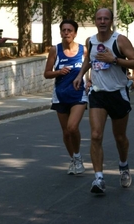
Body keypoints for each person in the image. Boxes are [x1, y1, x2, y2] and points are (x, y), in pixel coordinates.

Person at [73, 8, 134, 194]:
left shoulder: (119, 40)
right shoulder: (91, 40)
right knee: (96, 135)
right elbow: (89, 59)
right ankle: (99, 179)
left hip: (118, 93)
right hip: (98, 93)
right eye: (99, 18)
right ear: (95, 21)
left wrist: (115, 59)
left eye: (106, 18)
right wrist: (81, 75)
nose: (102, 21)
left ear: (111, 21)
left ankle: (124, 166)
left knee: (120, 138)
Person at [43, 19, 87, 175]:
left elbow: (91, 68)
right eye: (64, 30)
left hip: (78, 94)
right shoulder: (55, 50)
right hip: (60, 94)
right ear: (60, 32)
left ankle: (77, 157)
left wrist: (90, 82)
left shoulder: (84, 50)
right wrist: (58, 72)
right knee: (66, 132)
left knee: (72, 127)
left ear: (75, 33)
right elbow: (47, 73)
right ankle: (75, 159)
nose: (66, 33)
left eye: (70, 30)